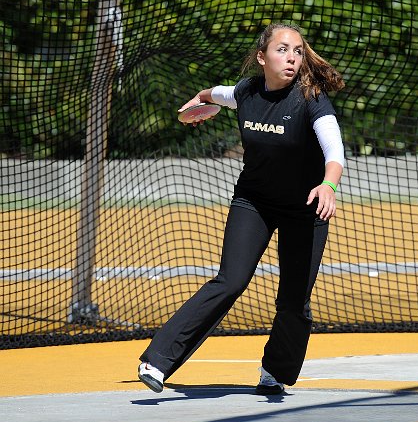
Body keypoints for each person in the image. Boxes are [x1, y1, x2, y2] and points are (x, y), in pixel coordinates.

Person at [138, 22, 345, 395]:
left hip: (306, 207)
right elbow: (213, 93)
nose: (292, 58)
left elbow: (334, 151)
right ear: (262, 57)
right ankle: (158, 361)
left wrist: (328, 185)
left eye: (298, 51)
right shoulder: (246, 91)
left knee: (294, 299)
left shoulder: (311, 98)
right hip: (255, 201)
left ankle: (274, 372)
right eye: (283, 50)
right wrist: (201, 105)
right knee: (231, 280)